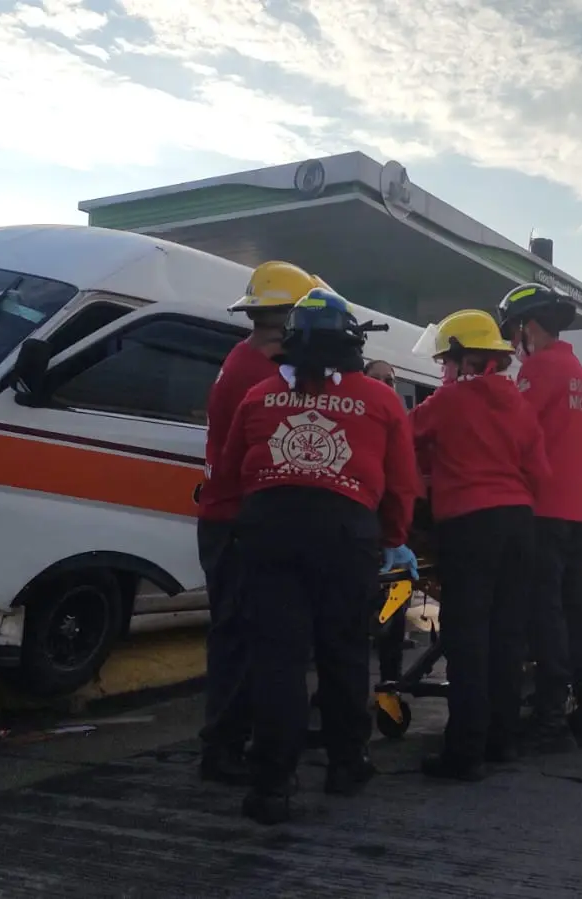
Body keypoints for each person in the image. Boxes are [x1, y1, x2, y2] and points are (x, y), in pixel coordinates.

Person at [217, 287, 423, 825]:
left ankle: (271, 785)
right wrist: (391, 538)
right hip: (345, 536)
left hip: (269, 531)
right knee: (345, 653)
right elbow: (403, 483)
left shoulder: (259, 395)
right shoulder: (381, 400)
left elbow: (232, 471)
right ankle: (346, 765)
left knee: (278, 659)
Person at [195, 260, 324, 784]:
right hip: (238, 518)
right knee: (240, 637)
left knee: (240, 633)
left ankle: (235, 738)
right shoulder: (263, 373)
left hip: (227, 515)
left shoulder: (244, 357)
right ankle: (223, 747)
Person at [410, 308, 549, 780]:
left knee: (467, 638)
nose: (443, 371)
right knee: (507, 635)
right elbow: (540, 473)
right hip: (519, 524)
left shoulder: (449, 401)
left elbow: (403, 435)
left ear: (462, 358)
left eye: (445, 362)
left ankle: (464, 752)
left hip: (469, 525)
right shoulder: (519, 404)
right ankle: (501, 740)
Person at [496, 283, 582, 751]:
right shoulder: (575, 370)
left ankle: (549, 718)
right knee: (575, 612)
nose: (512, 344)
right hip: (573, 508)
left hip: (542, 507)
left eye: (513, 332)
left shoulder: (540, 369)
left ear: (528, 327)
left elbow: (512, 432)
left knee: (544, 615)